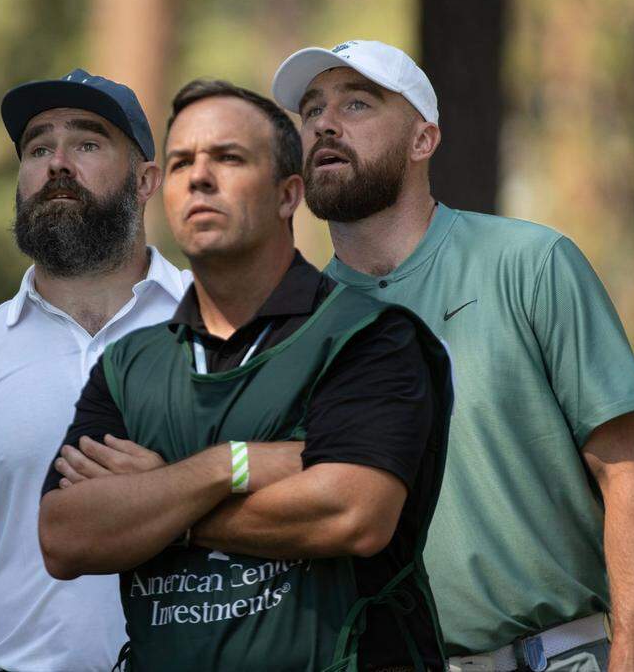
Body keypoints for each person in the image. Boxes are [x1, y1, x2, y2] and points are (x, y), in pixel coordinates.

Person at [271, 40, 634, 671]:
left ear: (423, 139)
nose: (324, 122)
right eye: (311, 110)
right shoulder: (296, 330)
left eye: (357, 103)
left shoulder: (531, 265)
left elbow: (629, 475)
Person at [39, 80, 454, 671]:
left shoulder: (369, 337)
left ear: (289, 194)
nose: (199, 178)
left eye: (228, 158)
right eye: (181, 163)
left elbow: (352, 513)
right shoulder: (131, 365)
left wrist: (161, 504)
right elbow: (65, 536)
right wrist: (225, 465)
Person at [0, 69, 191, 671]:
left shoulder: (225, 332)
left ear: (146, 179)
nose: (57, 163)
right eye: (37, 147)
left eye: (87, 143)